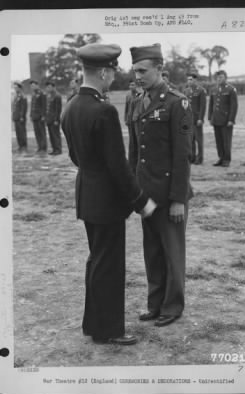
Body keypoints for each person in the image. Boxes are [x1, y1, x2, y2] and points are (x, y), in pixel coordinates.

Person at [61, 43, 156, 345]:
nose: (113, 77)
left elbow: (76, 157)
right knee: (109, 266)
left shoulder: (72, 106)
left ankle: (94, 325)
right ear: (102, 71)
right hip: (107, 202)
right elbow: (118, 166)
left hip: (87, 196)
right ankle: (110, 330)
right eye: (112, 71)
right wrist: (141, 201)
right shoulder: (103, 110)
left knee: (97, 261)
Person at [129, 43, 193, 327]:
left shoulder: (177, 102)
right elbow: (135, 151)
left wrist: (179, 198)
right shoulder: (136, 100)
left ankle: (172, 306)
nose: (138, 76)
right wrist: (134, 192)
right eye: (135, 71)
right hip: (146, 194)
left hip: (169, 194)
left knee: (171, 251)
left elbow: (182, 155)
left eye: (143, 70)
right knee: (152, 251)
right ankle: (154, 304)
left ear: (159, 69)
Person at [208, 70, 238, 167]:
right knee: (219, 140)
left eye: (221, 77)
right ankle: (221, 158)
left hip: (226, 120)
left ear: (225, 77)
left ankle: (226, 159)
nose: (219, 79)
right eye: (217, 77)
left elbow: (234, 106)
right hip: (216, 119)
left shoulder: (231, 89)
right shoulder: (214, 90)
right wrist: (210, 117)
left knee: (226, 141)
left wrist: (231, 120)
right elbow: (211, 104)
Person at [183, 71, 207, 164]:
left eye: (191, 79)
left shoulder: (201, 90)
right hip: (189, 119)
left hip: (197, 119)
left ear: (195, 80)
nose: (189, 81)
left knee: (199, 140)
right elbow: (184, 105)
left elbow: (202, 106)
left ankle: (200, 158)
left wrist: (201, 118)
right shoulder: (186, 91)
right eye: (188, 80)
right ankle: (192, 157)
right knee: (190, 139)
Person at [124, 79, 140, 165]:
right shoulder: (128, 95)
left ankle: (138, 159)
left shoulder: (139, 95)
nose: (131, 87)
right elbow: (126, 108)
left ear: (136, 86)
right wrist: (125, 119)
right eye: (130, 85)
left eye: (133, 85)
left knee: (137, 140)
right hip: (130, 121)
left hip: (136, 121)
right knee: (131, 142)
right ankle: (131, 161)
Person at [45, 81, 62, 155]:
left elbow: (58, 109)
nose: (47, 88)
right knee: (51, 135)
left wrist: (56, 119)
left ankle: (58, 149)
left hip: (54, 119)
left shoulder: (57, 96)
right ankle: (54, 149)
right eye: (47, 87)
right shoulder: (49, 95)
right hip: (49, 119)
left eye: (49, 87)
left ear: (53, 87)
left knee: (55, 134)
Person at [30, 80, 47, 155]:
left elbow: (44, 105)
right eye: (31, 86)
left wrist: (43, 116)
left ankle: (43, 148)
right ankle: (39, 147)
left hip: (40, 117)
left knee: (42, 133)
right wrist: (31, 115)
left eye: (33, 85)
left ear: (37, 85)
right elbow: (32, 106)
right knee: (37, 133)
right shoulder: (33, 94)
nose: (32, 87)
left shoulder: (42, 94)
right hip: (34, 116)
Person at [12, 82, 28, 153]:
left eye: (16, 87)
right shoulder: (16, 96)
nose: (15, 89)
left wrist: (22, 116)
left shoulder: (22, 96)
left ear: (20, 88)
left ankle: (24, 146)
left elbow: (23, 108)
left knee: (22, 132)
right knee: (18, 132)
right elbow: (14, 107)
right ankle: (20, 146)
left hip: (20, 118)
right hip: (16, 117)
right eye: (14, 87)